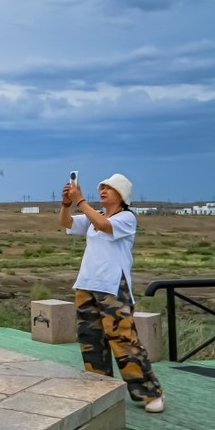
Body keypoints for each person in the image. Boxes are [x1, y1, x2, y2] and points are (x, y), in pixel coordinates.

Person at [61, 173, 164, 413]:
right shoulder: (94, 216)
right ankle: (100, 388)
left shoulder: (126, 218)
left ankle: (149, 392)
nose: (103, 191)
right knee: (90, 339)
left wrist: (80, 201)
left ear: (121, 195)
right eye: (102, 187)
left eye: (109, 188)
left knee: (124, 340)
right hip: (87, 284)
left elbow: (104, 226)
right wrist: (66, 205)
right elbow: (66, 223)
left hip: (113, 287)